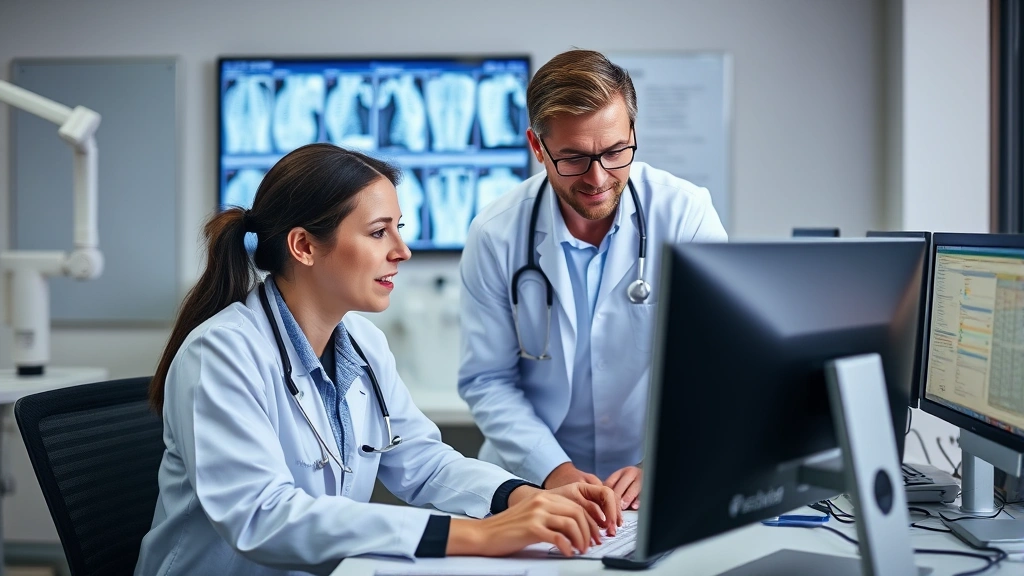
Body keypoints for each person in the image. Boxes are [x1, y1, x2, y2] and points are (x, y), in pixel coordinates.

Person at [135, 143, 622, 576]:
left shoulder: (364, 344)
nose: (402, 251)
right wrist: (478, 535)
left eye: (399, 229)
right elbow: (262, 516)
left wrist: (523, 497)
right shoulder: (221, 354)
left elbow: (424, 463)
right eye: (378, 233)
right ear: (304, 246)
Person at [458, 50, 728, 511]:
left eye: (615, 152)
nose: (598, 178)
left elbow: (717, 364)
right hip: (534, 483)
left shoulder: (686, 215)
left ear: (633, 133)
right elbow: (488, 379)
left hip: (655, 477)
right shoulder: (495, 233)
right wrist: (554, 471)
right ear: (537, 146)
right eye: (574, 158)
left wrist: (663, 460)